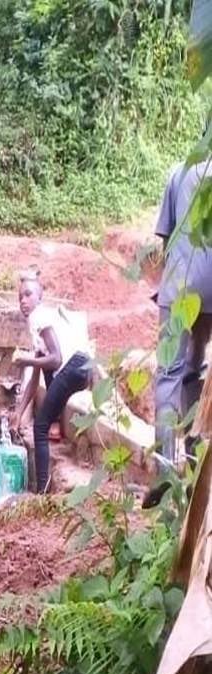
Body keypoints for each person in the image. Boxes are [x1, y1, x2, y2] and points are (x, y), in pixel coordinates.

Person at [143, 158, 212, 509]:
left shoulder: (180, 171)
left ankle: (165, 472)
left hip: (180, 288)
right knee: (196, 372)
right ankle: (196, 462)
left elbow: (166, 239)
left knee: (169, 374)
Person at [12, 277, 92, 493]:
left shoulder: (39, 316)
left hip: (74, 365)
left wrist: (25, 359)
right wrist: (19, 413)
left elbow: (56, 359)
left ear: (40, 297)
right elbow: (36, 377)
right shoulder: (42, 321)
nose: (23, 300)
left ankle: (42, 491)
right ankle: (53, 418)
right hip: (83, 368)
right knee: (43, 365)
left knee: (39, 426)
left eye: (28, 294)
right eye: (20, 296)